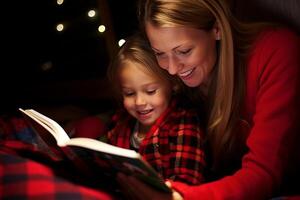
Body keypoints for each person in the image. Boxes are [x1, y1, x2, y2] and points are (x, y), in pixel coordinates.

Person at [116, 0, 300, 199]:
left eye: (184, 51)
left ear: (217, 29)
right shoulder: (173, 82)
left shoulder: (276, 50)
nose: (172, 69)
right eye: (159, 54)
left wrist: (179, 196)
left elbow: (263, 174)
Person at [106, 33, 206, 185]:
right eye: (129, 93)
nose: (139, 102)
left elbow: (187, 181)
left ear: (173, 84)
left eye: (151, 91)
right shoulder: (120, 124)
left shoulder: (183, 123)